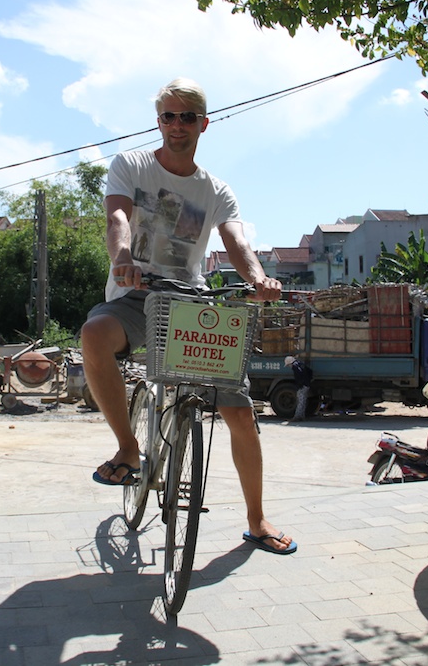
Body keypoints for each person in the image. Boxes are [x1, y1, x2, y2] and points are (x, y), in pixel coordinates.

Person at [80, 78, 296, 555]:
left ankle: (257, 520)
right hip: (137, 294)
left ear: (204, 123)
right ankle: (128, 449)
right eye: (168, 116)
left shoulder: (215, 190)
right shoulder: (131, 165)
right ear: (159, 121)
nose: (177, 125)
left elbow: (236, 242)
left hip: (191, 301)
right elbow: (117, 219)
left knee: (239, 413)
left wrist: (259, 278)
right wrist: (123, 258)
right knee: (94, 335)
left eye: (187, 117)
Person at [285, 355, 313, 421]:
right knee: (303, 401)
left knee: (300, 401)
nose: (289, 366)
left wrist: (300, 384)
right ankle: (301, 416)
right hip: (306, 384)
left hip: (302, 385)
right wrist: (308, 380)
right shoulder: (300, 363)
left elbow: (299, 375)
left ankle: (297, 417)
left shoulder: (295, 366)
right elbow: (309, 371)